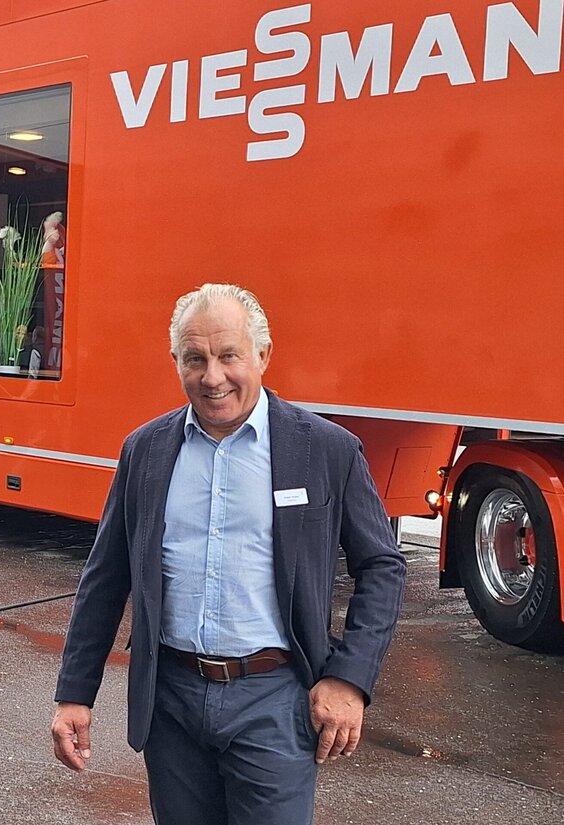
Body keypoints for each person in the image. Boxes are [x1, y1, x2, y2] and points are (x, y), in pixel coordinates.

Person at [50, 284, 406, 825]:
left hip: (273, 700)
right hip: (171, 702)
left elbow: (382, 567)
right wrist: (74, 693)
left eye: (228, 356)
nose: (212, 377)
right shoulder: (145, 450)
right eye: (194, 359)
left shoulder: (324, 449)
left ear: (263, 355)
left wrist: (349, 677)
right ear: (176, 362)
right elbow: (106, 575)